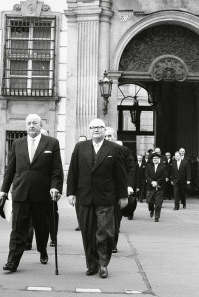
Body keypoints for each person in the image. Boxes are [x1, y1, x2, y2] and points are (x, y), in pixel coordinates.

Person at [0, 114, 63, 273]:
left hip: (42, 195)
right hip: (21, 192)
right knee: (18, 230)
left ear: (40, 125)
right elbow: (11, 169)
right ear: (26, 126)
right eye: (28, 123)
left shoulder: (52, 143)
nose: (31, 126)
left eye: (35, 123)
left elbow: (56, 169)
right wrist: (3, 190)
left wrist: (55, 187)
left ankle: (42, 250)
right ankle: (12, 262)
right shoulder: (17, 143)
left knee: (42, 228)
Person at [67, 118, 128, 279]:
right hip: (84, 197)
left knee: (105, 232)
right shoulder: (80, 147)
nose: (96, 130)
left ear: (104, 130)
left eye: (99, 127)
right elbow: (73, 171)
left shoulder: (114, 149)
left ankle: (103, 264)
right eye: (93, 127)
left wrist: (123, 196)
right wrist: (71, 193)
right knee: (87, 233)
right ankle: (92, 264)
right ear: (89, 130)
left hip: (106, 198)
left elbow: (120, 174)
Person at [104, 127, 135, 252]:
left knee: (115, 219)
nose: (107, 138)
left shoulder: (123, 150)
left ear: (115, 137)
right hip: (102, 191)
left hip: (117, 191)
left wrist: (128, 186)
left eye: (110, 136)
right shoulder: (97, 150)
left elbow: (130, 169)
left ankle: (113, 244)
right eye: (105, 136)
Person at [145, 152, 167, 222]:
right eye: (153, 158)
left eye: (156, 158)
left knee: (158, 203)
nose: (155, 159)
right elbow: (146, 175)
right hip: (150, 186)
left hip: (159, 187)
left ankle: (157, 216)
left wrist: (157, 182)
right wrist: (152, 182)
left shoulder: (163, 166)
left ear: (159, 159)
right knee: (149, 201)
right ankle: (151, 210)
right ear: (152, 159)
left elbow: (163, 176)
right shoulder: (148, 166)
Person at [75, 135, 88, 232]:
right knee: (78, 207)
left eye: (83, 141)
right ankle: (80, 223)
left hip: (87, 187)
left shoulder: (89, 152)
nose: (81, 143)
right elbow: (73, 170)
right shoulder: (76, 152)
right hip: (78, 186)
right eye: (79, 141)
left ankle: (84, 224)